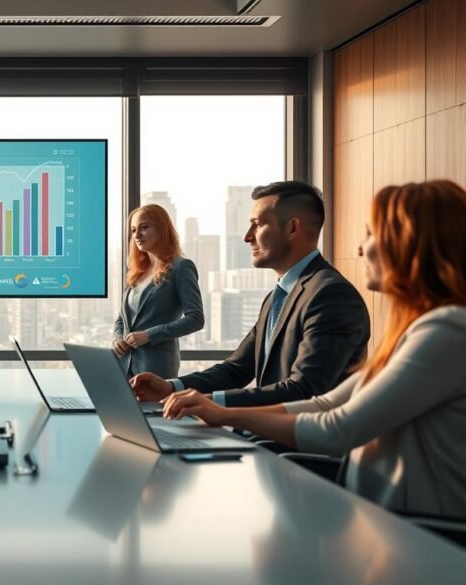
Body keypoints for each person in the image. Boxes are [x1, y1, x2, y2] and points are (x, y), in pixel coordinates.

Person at [163, 180, 466, 518]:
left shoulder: (447, 331)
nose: (361, 248)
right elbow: (324, 403)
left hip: (419, 534)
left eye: (371, 233)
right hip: (380, 519)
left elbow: (338, 428)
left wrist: (222, 413)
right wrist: (190, 397)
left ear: (411, 245)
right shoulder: (416, 331)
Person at [131, 181, 370, 408]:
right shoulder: (277, 297)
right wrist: (171, 388)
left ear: (292, 228)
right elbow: (237, 369)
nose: (247, 236)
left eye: (258, 224)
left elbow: (303, 391)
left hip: (296, 448)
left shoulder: (331, 296)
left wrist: (210, 404)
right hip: (264, 437)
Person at [112, 204, 204, 378]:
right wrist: (117, 340)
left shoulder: (181, 268)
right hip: (124, 366)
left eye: (144, 228)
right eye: (133, 230)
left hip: (156, 367)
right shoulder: (136, 273)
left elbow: (196, 319)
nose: (137, 235)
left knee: (153, 407)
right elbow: (121, 319)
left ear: (162, 229)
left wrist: (149, 335)